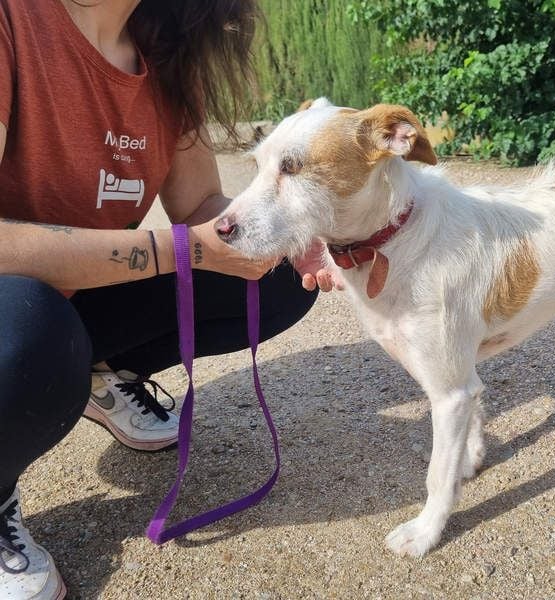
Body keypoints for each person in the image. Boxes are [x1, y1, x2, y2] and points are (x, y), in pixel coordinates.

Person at [0, 1, 334, 598]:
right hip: (17, 309)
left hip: (70, 302)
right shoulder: (13, 21)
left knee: (278, 268)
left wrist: (287, 235)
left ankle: (102, 371)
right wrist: (179, 249)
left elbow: (201, 205)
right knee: (32, 331)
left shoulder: (167, 53)